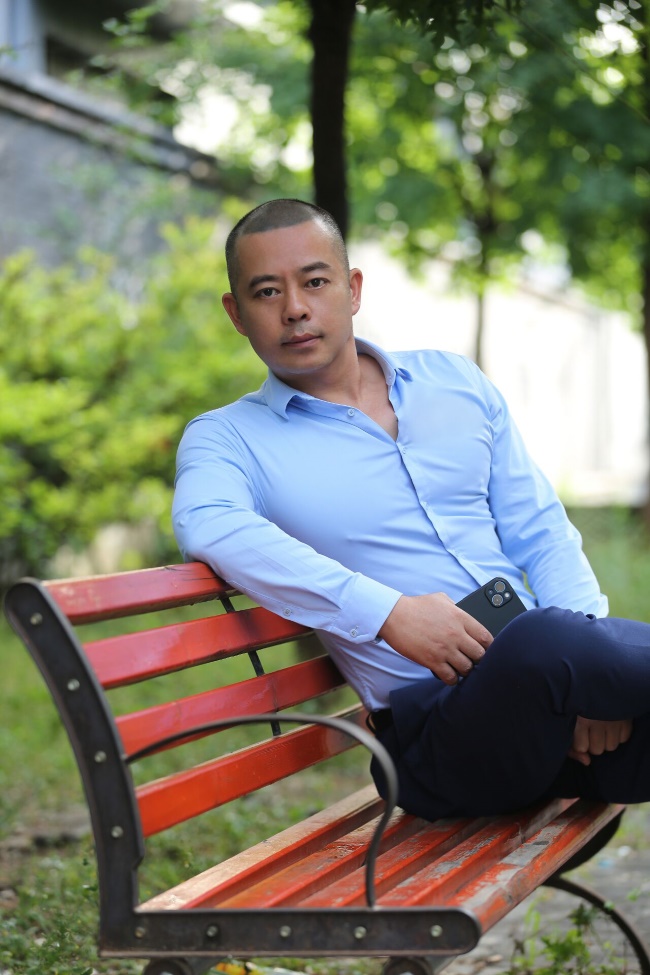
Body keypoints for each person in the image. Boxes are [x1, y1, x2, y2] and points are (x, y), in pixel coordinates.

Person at [173, 198, 650, 822]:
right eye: (267, 292)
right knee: (540, 635)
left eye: (315, 282)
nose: (294, 308)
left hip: (561, 710)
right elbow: (210, 525)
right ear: (236, 313)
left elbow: (541, 532)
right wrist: (387, 613)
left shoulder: (454, 382)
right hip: (443, 743)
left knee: (554, 643)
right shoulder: (227, 438)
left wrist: (595, 684)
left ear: (352, 289)